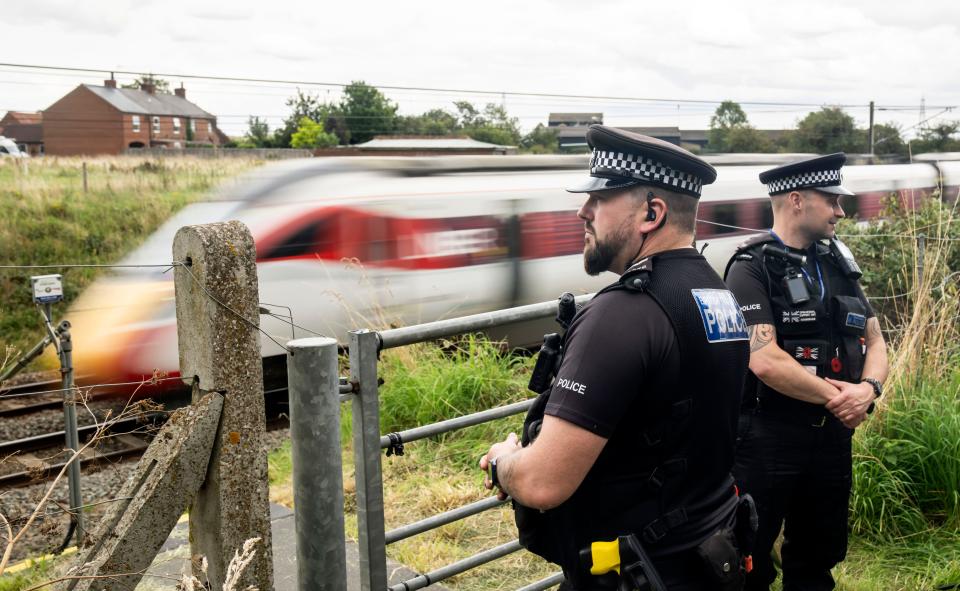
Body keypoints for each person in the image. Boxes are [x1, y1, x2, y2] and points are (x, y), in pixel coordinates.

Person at [479, 125, 752, 590]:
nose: (583, 211)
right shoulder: (716, 293)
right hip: (706, 556)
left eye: (600, 200)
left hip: (636, 574)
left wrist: (504, 460)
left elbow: (545, 482)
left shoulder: (622, 314)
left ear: (652, 213)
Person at [723, 153, 889, 591]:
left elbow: (876, 338)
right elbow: (764, 359)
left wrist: (869, 389)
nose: (840, 210)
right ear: (796, 200)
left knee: (817, 558)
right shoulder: (750, 268)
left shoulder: (838, 264)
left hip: (831, 439)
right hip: (766, 440)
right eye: (831, 200)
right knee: (747, 560)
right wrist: (843, 399)